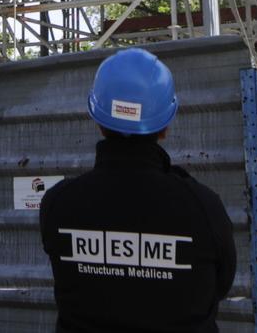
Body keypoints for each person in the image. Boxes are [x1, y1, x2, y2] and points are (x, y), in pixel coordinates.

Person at [39, 49, 236, 332]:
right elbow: (221, 284)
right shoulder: (203, 207)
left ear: (98, 121)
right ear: (165, 125)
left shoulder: (58, 204)